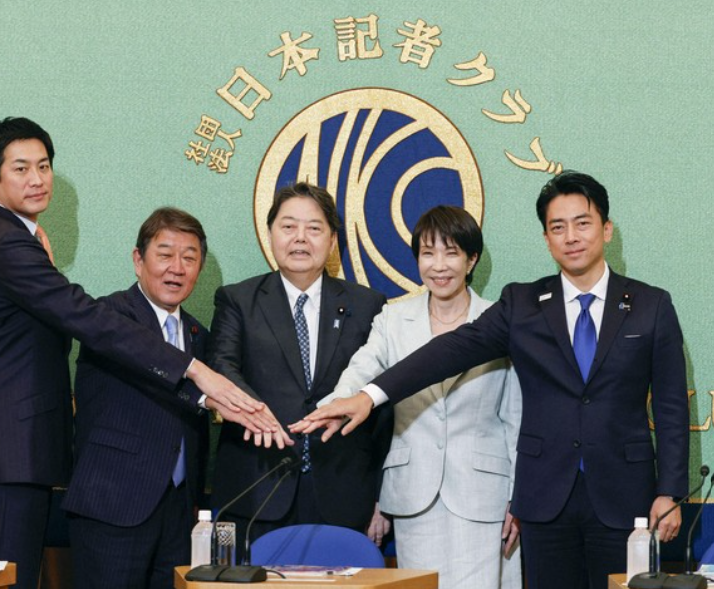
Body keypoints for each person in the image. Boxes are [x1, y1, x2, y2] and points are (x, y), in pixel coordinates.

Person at [293, 171, 689, 589]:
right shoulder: (524, 304)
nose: (571, 236)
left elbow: (670, 407)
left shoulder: (650, 305)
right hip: (544, 499)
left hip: (625, 495)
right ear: (546, 239)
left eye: (582, 223)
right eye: (558, 227)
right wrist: (370, 396)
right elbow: (448, 352)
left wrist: (671, 491)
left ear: (606, 230)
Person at [0, 117, 279, 589]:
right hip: (9, 449)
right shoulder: (10, 244)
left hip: (21, 450)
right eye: (20, 169)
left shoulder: (18, 239)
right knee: (12, 583)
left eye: (43, 166)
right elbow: (86, 317)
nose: (37, 179)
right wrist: (194, 371)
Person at [320, 205, 522, 589]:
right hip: (414, 493)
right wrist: (338, 403)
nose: (439, 265)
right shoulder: (392, 319)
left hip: (486, 495)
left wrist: (521, 496)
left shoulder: (498, 321)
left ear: (471, 258)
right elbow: (363, 368)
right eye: (428, 253)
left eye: (451, 252)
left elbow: (516, 416)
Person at [209, 182, 390, 552]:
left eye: (314, 228)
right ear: (271, 232)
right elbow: (222, 367)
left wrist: (381, 497)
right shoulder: (238, 300)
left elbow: (383, 405)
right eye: (288, 226)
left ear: (332, 238)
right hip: (258, 487)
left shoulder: (368, 304)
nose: (300, 238)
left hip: (343, 493)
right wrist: (256, 413)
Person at [63, 207, 225, 588]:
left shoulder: (199, 335)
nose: (177, 267)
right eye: (165, 254)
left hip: (179, 513)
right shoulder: (109, 315)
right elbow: (149, 364)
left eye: (189, 258)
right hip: (112, 508)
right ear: (139, 260)